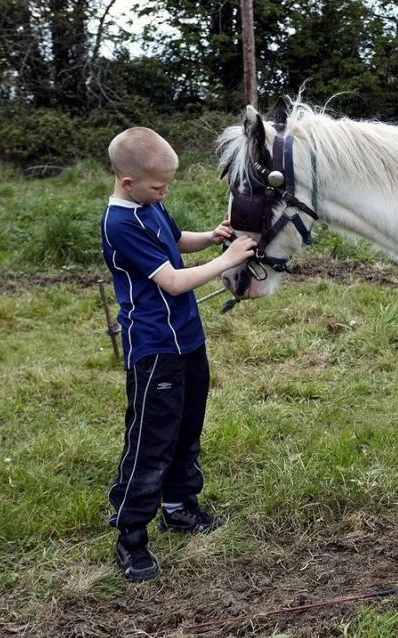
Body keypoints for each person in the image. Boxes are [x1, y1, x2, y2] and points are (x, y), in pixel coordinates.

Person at [100, 127, 257, 581]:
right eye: (158, 186)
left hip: (188, 339)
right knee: (152, 441)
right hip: (155, 350)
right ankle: (131, 537)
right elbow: (172, 281)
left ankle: (179, 507)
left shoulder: (149, 205)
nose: (164, 192)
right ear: (128, 182)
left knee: (188, 428)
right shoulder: (120, 224)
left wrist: (210, 237)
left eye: (166, 185)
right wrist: (227, 260)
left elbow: (174, 240)